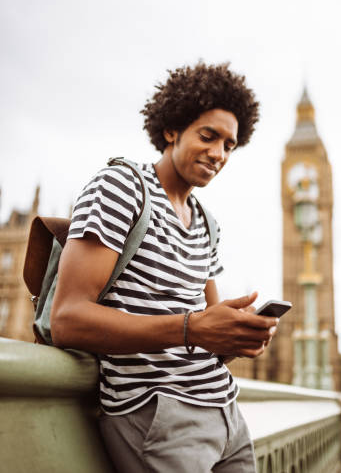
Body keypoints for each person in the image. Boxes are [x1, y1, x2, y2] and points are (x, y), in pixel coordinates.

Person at [50, 63, 280, 473]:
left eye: (230, 144)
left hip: (226, 412)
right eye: (208, 136)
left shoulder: (207, 223)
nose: (218, 154)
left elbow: (208, 333)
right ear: (172, 129)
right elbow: (68, 319)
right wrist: (192, 327)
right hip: (158, 414)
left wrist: (239, 333)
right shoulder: (121, 187)